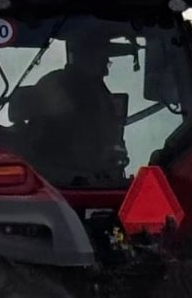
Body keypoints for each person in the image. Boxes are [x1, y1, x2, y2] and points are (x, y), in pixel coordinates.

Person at [16, 29, 128, 184]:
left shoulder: (97, 89)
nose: (106, 69)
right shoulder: (58, 84)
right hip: (64, 178)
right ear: (87, 57)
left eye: (107, 62)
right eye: (103, 60)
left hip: (96, 176)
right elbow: (45, 135)